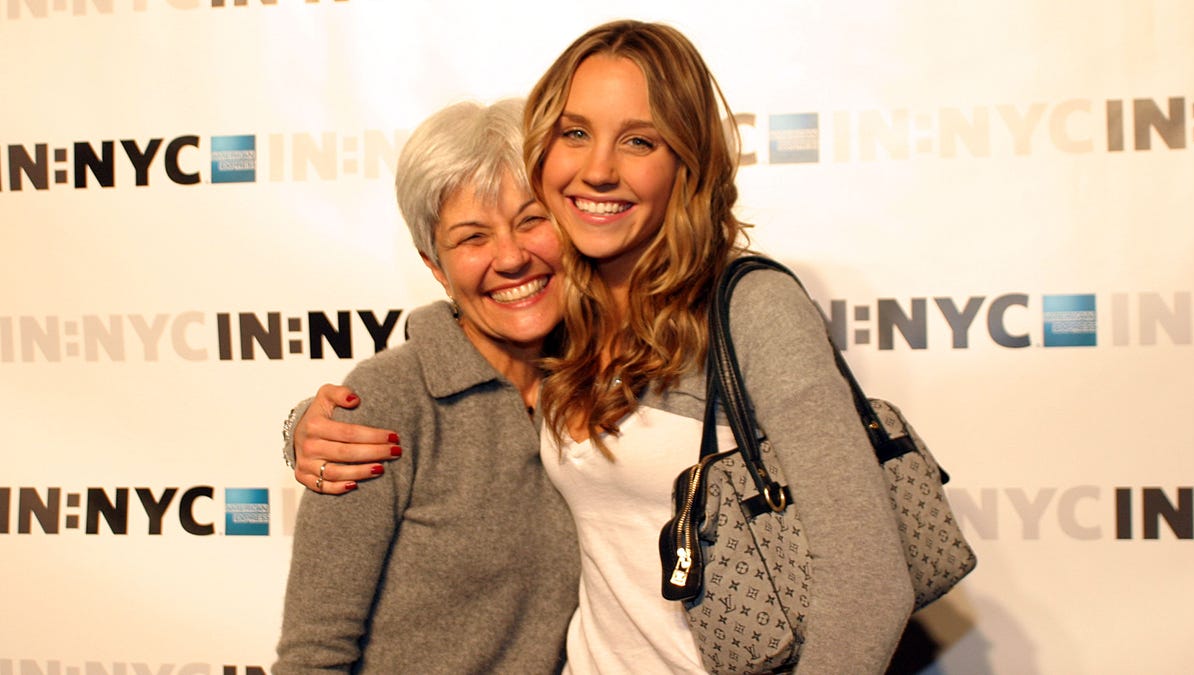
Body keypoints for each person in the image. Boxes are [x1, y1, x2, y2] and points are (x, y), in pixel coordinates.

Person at [283, 20, 914, 674]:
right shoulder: (555, 331)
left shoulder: (739, 309)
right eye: (575, 133)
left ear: (686, 164)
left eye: (639, 139)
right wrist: (311, 424)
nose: (599, 169)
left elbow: (868, 577)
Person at [273, 98, 580, 673]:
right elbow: (313, 653)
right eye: (472, 238)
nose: (511, 257)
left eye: (531, 219)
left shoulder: (607, 379)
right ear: (435, 265)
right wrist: (300, 428)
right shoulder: (386, 401)